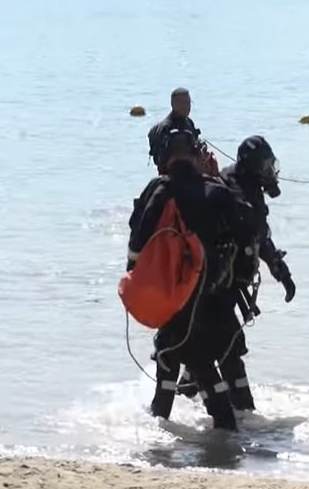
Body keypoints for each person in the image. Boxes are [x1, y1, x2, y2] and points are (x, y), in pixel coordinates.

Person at [127, 127, 254, 430]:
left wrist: (137, 281)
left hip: (176, 297)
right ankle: (241, 426)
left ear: (165, 156)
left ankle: (181, 432)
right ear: (196, 154)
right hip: (216, 297)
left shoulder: (160, 189)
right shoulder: (218, 191)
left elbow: (137, 243)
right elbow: (248, 234)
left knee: (184, 359)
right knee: (212, 358)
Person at [175, 135, 296, 411]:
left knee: (214, 349)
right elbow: (251, 233)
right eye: (265, 166)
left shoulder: (249, 189)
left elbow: (260, 239)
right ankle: (239, 418)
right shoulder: (230, 191)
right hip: (216, 288)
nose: (270, 172)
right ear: (252, 166)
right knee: (228, 348)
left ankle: (185, 405)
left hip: (226, 288)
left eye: (271, 166)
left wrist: (282, 273)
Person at [147, 87, 219, 176]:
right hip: (173, 174)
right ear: (173, 104)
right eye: (183, 103)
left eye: (188, 102)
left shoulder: (188, 122)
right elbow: (163, 159)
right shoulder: (166, 128)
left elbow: (195, 142)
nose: (187, 107)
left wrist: (201, 147)